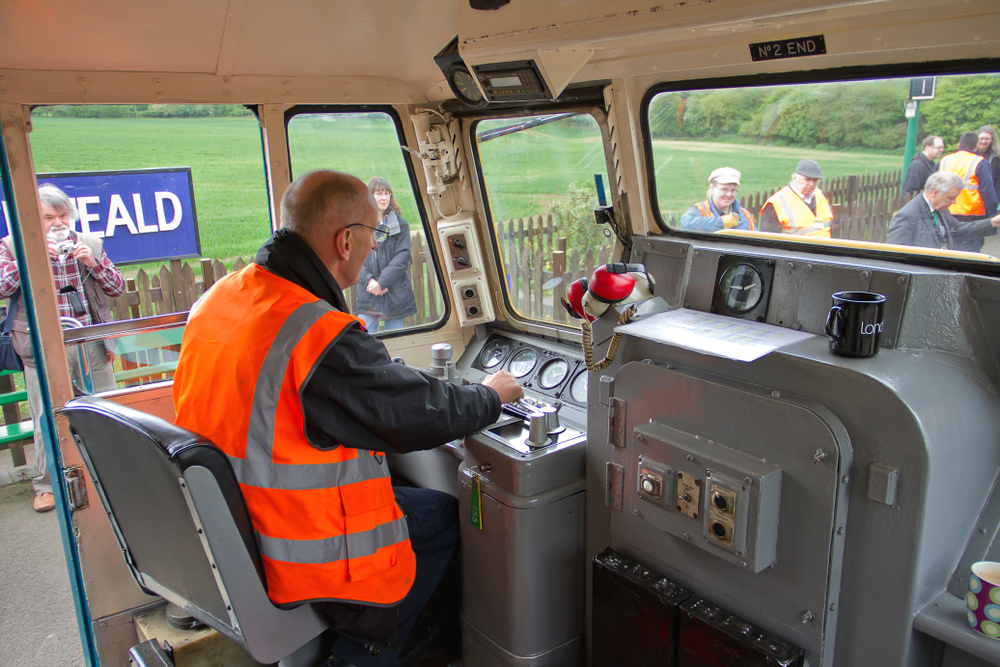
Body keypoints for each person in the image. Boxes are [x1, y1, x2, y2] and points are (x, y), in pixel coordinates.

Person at [172, 170, 523, 667]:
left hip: (236, 519)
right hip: (298, 543)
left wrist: (386, 379)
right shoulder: (314, 334)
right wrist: (489, 397)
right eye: (373, 234)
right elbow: (412, 417)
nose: (375, 245)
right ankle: (366, 650)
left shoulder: (223, 297)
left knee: (418, 502)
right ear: (345, 241)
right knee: (444, 519)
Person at [0, 183, 125, 512]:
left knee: (105, 410)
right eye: (48, 217)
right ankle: (47, 486)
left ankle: (112, 476)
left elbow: (117, 287)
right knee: (46, 417)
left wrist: (93, 263)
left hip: (90, 343)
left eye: (62, 215)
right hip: (41, 347)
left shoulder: (89, 243)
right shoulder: (13, 247)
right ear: (31, 219)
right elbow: (1, 287)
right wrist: (29, 258)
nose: (57, 223)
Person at [356, 178, 417, 332]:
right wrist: (370, 281)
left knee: (395, 340)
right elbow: (354, 258)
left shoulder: (401, 225)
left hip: (395, 295)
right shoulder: (358, 226)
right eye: (379, 193)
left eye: (387, 193)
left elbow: (402, 259)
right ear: (369, 196)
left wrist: (381, 283)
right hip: (368, 295)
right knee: (366, 339)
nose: (384, 197)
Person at [885, 172, 1000, 251]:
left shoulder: (940, 209)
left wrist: (992, 223)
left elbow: (957, 229)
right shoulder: (907, 216)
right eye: (951, 198)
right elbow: (895, 254)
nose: (954, 202)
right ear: (935, 193)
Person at [938, 132, 998, 251]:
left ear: (959, 144)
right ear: (976, 146)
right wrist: (991, 215)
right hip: (972, 215)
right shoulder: (980, 162)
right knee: (969, 251)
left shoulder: (945, 160)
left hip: (946, 211)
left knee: (948, 248)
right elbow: (988, 191)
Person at [758, 159, 833, 237]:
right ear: (794, 177)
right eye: (807, 179)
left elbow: (829, 226)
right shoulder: (776, 203)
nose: (811, 184)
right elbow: (768, 239)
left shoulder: (820, 195)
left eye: (815, 180)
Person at [679, 167, 755, 232]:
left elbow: (756, 238)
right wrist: (722, 222)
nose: (729, 194)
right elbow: (686, 224)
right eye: (724, 189)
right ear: (712, 188)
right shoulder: (700, 211)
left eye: (733, 190)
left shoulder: (746, 215)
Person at [976, 125, 1000, 207]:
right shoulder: (970, 155)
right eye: (981, 138)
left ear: (992, 140)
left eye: (987, 139)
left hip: (990, 197)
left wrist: (996, 200)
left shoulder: (996, 157)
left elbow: (998, 181)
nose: (983, 141)